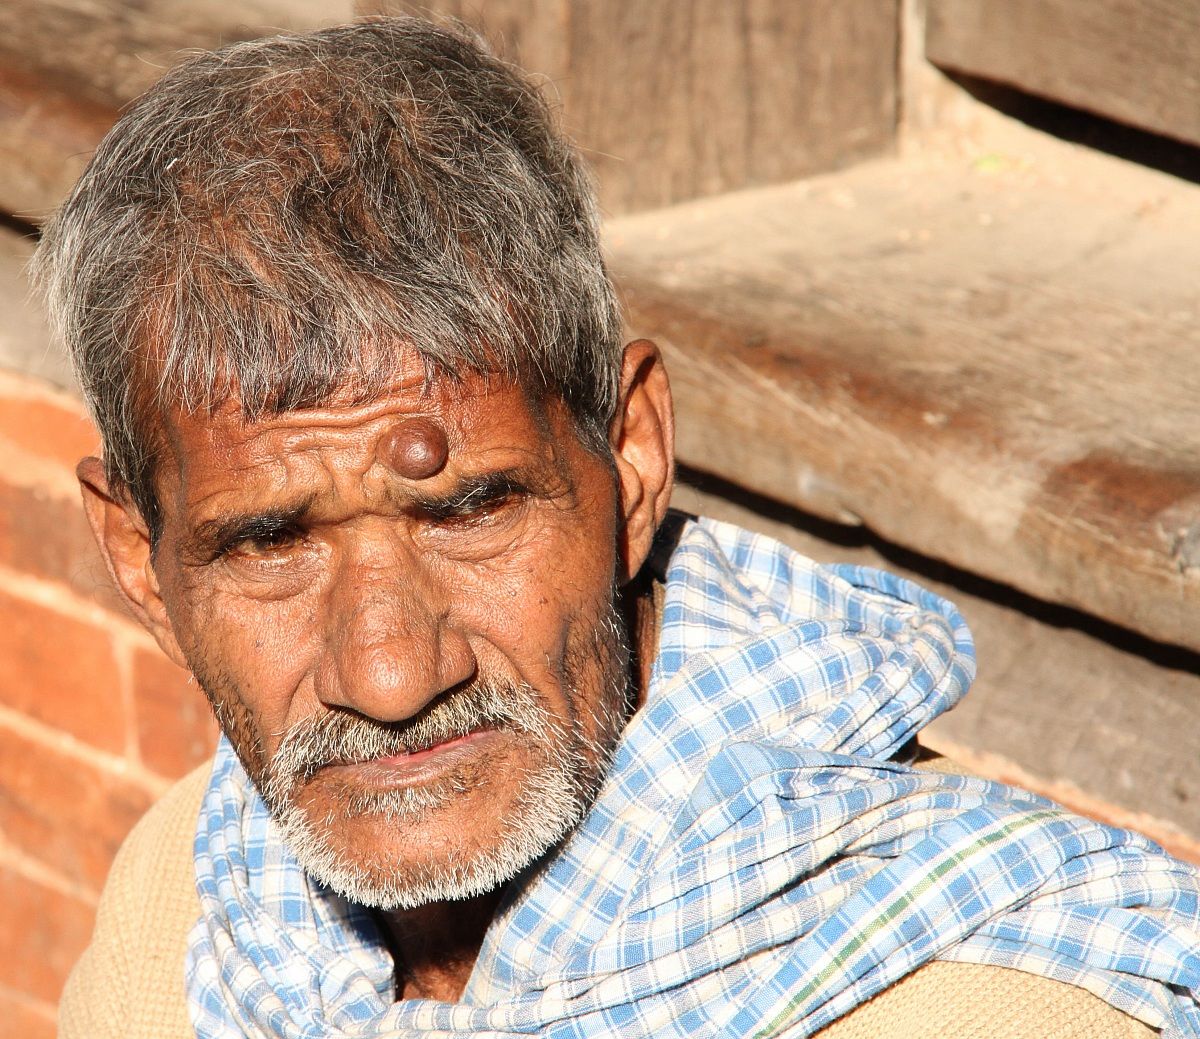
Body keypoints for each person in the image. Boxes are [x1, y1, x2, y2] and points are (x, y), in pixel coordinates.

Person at [36, 16, 1199, 1039]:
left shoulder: (982, 1007)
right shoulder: (189, 914)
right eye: (270, 544)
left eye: (471, 510)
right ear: (140, 558)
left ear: (632, 461)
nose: (390, 676)